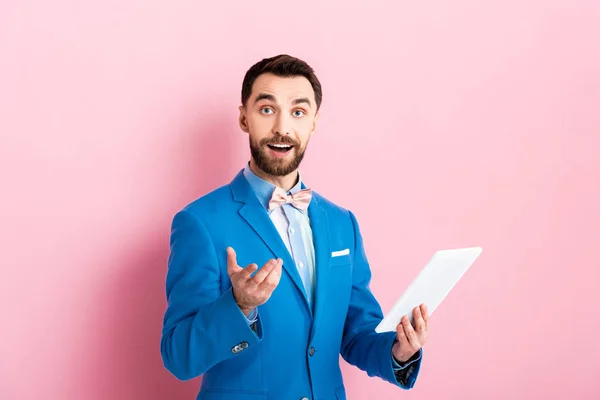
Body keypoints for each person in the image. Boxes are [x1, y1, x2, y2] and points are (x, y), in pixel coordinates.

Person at [160, 54, 429, 400]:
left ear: (314, 123)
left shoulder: (342, 223)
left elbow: (357, 332)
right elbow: (178, 356)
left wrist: (399, 352)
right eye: (267, 109)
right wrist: (239, 306)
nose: (282, 128)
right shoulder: (199, 222)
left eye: (298, 112)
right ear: (244, 117)